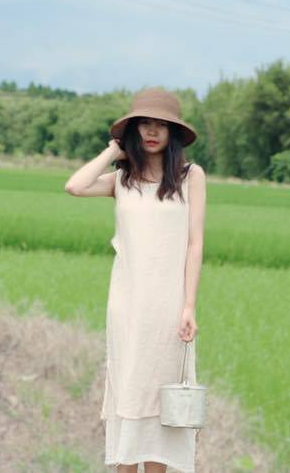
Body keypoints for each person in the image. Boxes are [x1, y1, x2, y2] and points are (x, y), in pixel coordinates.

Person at [64, 87, 206, 473]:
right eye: (144, 123)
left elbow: (194, 244)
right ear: (133, 129)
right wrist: (113, 152)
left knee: (161, 401)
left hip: (169, 307)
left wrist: (189, 306)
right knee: (128, 393)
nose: (152, 131)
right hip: (127, 305)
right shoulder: (121, 179)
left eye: (161, 124)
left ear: (173, 133)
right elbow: (75, 186)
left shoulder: (190, 177)